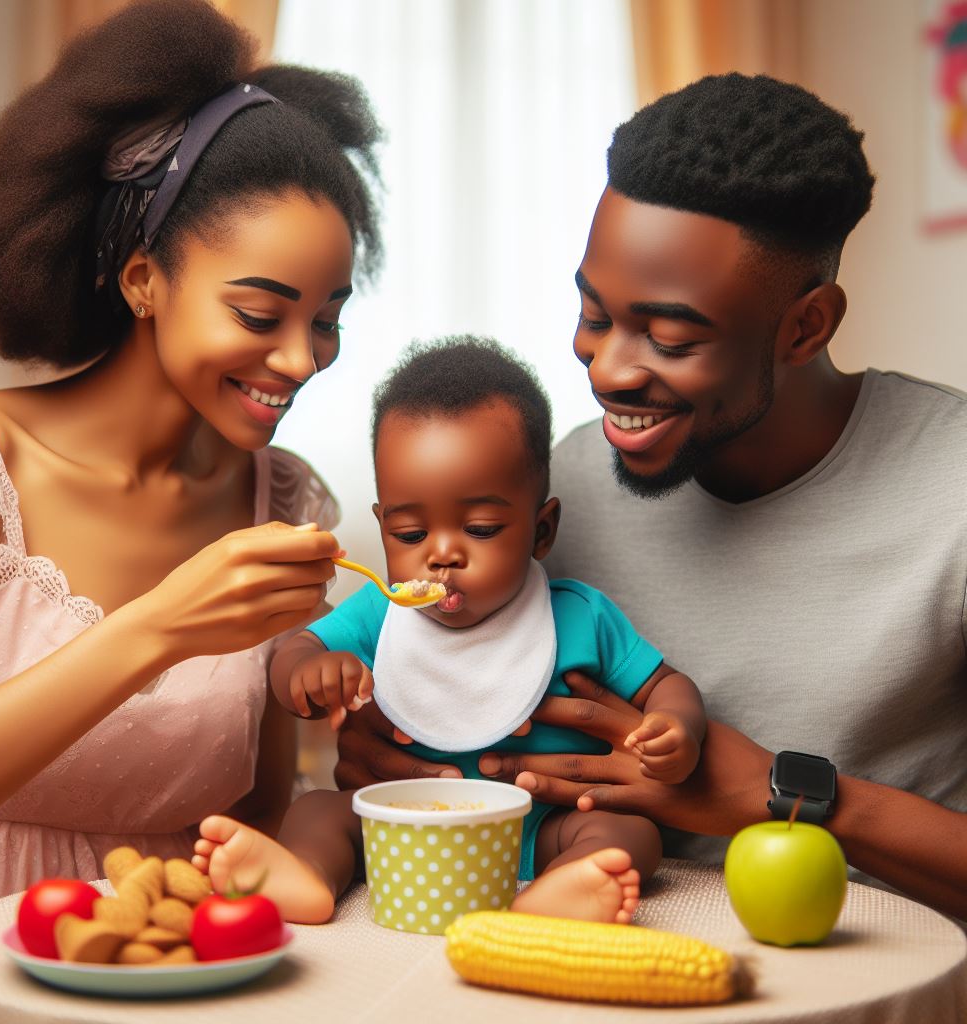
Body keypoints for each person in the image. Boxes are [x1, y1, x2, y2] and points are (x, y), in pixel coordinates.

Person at [333, 74, 967, 922]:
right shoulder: (551, 495)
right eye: (593, 314)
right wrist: (396, 737)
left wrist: (785, 794)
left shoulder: (949, 489)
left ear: (807, 326)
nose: (608, 370)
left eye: (669, 337)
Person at [0, 0, 383, 920]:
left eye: (327, 320)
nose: (303, 361)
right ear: (143, 278)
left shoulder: (284, 500)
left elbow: (255, 813)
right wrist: (160, 628)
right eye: (261, 316)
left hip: (182, 965)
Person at [190, 337, 707, 925]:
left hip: (541, 831)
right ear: (382, 527)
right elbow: (293, 654)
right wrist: (308, 674)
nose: (440, 556)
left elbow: (666, 685)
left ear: (542, 531)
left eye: (481, 529)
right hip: (397, 831)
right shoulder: (381, 616)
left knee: (629, 833)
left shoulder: (578, 616)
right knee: (318, 813)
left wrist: (677, 727)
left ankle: (562, 892)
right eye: (410, 536)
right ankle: (306, 876)